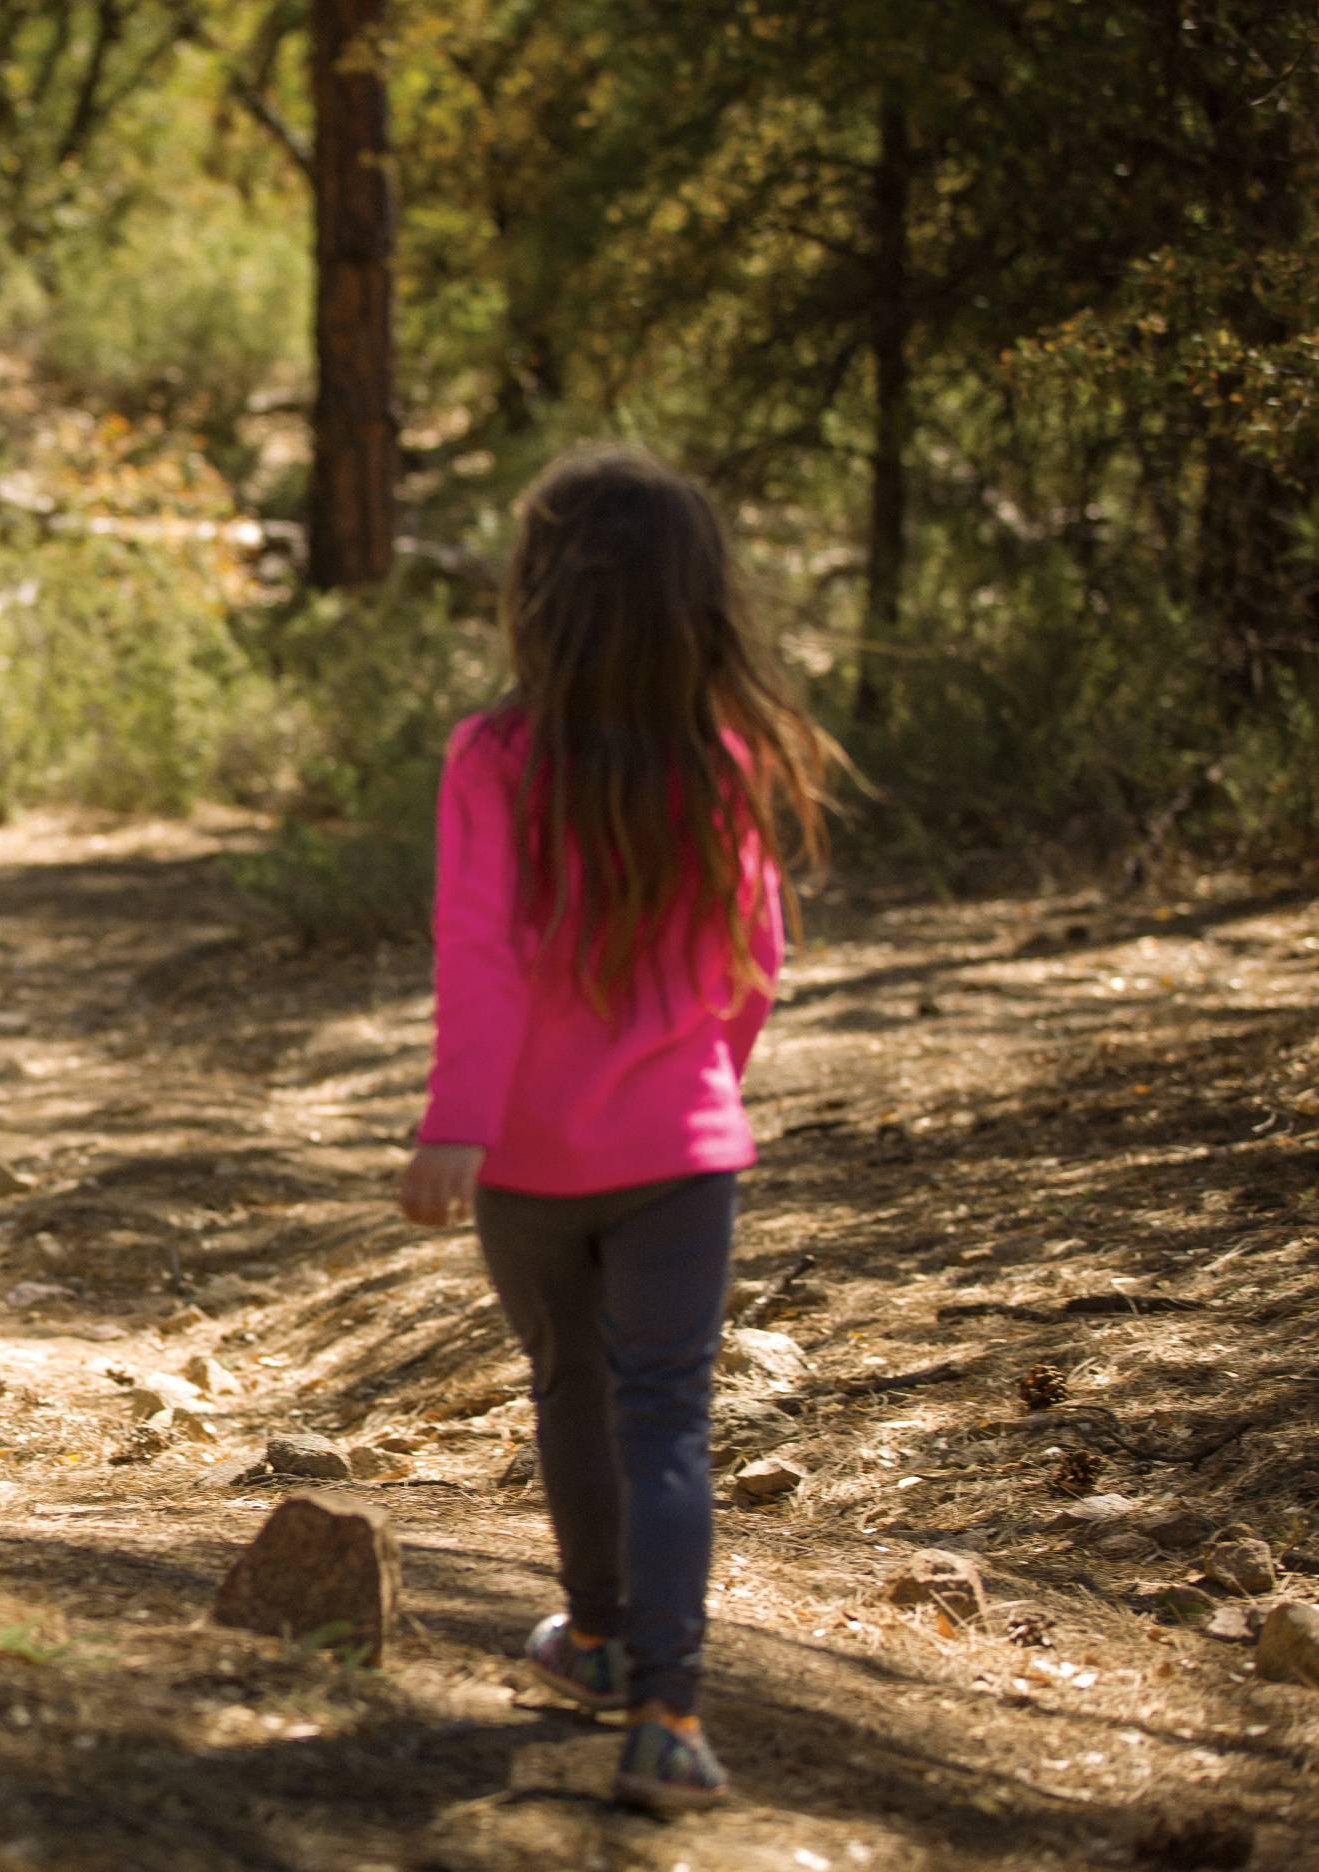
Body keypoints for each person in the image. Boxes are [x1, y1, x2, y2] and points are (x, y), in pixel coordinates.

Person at [398, 445, 840, 1814]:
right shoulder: (728, 756)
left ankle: (592, 1638)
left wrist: (455, 1128)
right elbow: (754, 956)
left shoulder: (493, 755)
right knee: (668, 1421)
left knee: (569, 1390)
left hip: (528, 1162)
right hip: (682, 1156)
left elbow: (482, 956)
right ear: (694, 605)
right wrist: (709, 1083)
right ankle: (668, 1714)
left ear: (543, 596)